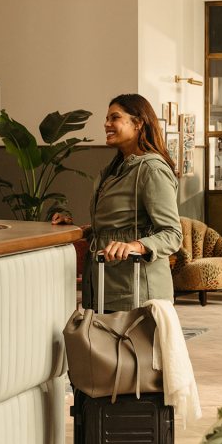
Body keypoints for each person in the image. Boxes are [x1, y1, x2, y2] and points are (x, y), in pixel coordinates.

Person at [53, 93, 182, 311]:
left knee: (132, 347)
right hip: (106, 286)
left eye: (114, 118)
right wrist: (80, 229)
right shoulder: (114, 170)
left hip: (137, 291)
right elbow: (116, 226)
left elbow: (172, 234)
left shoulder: (151, 170)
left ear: (138, 123)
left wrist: (135, 246)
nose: (106, 124)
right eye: (106, 118)